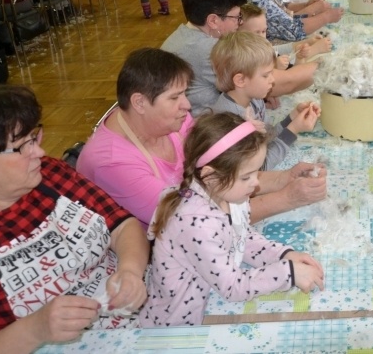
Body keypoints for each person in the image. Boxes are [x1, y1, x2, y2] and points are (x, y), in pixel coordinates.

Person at [0, 86, 149, 351]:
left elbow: (122, 225)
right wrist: (35, 329)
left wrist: (130, 269)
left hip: (138, 318)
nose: (38, 152)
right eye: (21, 147)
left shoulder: (50, 174)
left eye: (34, 137)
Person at [140, 112, 325, 327]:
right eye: (246, 177)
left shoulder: (227, 194)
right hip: (176, 327)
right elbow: (233, 287)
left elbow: (242, 236)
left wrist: (283, 255)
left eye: (256, 173)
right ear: (210, 176)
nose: (255, 184)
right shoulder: (195, 223)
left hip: (208, 300)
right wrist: (288, 273)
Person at [77, 48, 194, 228]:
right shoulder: (111, 162)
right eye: (174, 97)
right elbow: (183, 220)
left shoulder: (173, 119)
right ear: (139, 102)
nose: (187, 104)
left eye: (184, 93)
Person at [210, 31, 320, 170]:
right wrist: (293, 130)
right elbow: (260, 167)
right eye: (266, 75)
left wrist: (292, 118)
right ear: (240, 80)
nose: (273, 80)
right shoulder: (229, 122)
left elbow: (267, 137)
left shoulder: (254, 99)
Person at [161, 0, 247, 114]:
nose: (240, 23)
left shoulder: (185, 34)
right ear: (213, 20)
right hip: (206, 128)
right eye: (237, 17)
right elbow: (254, 81)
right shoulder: (207, 50)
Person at [239, 3, 332, 66]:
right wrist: (316, 49)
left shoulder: (259, 46)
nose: (262, 37)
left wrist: (307, 41)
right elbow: (289, 70)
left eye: (264, 31)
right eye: (256, 33)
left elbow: (277, 50)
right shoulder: (249, 57)